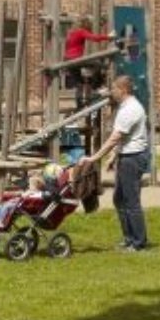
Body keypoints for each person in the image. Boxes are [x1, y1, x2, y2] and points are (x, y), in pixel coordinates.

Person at [81, 74, 150, 252]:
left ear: (123, 90)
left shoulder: (131, 109)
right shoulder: (125, 107)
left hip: (133, 158)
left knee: (131, 201)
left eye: (114, 89)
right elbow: (123, 139)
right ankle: (129, 239)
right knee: (119, 199)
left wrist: (95, 158)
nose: (112, 92)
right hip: (126, 155)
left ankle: (138, 242)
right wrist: (113, 157)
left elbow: (115, 138)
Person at [64, 17, 113, 106]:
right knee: (98, 64)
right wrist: (108, 36)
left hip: (68, 60)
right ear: (86, 25)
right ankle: (96, 86)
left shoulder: (71, 33)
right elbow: (95, 38)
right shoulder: (81, 31)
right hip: (76, 59)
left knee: (79, 83)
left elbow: (68, 48)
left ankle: (79, 105)